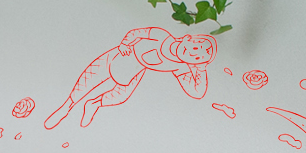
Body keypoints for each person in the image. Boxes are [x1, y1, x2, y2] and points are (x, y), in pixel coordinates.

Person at [43, 27, 216, 130]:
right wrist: (126, 43)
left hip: (131, 74)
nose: (193, 54)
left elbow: (196, 92)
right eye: (194, 48)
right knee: (85, 84)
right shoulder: (161, 36)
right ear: (186, 38)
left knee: (120, 96)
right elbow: (137, 33)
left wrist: (200, 70)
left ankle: (94, 103)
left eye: (197, 58)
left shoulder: (178, 66)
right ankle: (66, 107)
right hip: (115, 58)